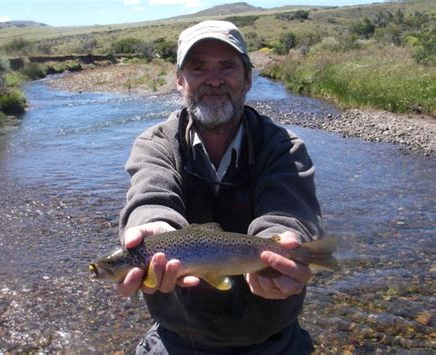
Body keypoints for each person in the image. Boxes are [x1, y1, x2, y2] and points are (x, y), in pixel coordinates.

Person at [118, 20, 322, 354]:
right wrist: (154, 230)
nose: (214, 80)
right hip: (179, 337)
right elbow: (150, 195)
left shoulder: (282, 145)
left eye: (227, 66)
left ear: (248, 78)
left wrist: (277, 253)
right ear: (180, 80)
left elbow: (288, 212)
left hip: (273, 337)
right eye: (198, 68)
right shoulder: (155, 144)